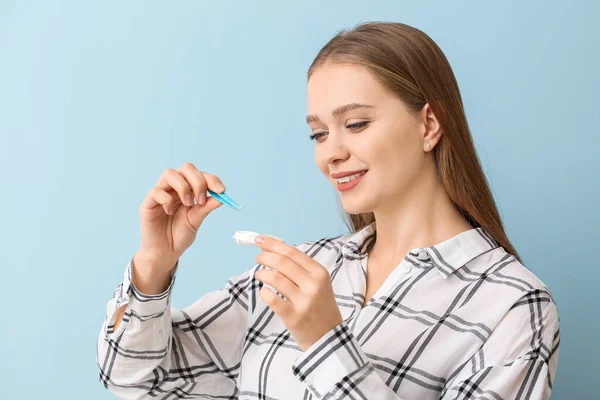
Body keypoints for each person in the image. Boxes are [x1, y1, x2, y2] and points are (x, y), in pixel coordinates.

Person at [96, 21, 560, 399]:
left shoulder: (512, 306)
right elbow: (136, 380)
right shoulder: (300, 273)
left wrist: (325, 341)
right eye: (318, 134)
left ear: (429, 123)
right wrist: (154, 264)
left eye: (355, 124)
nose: (329, 154)